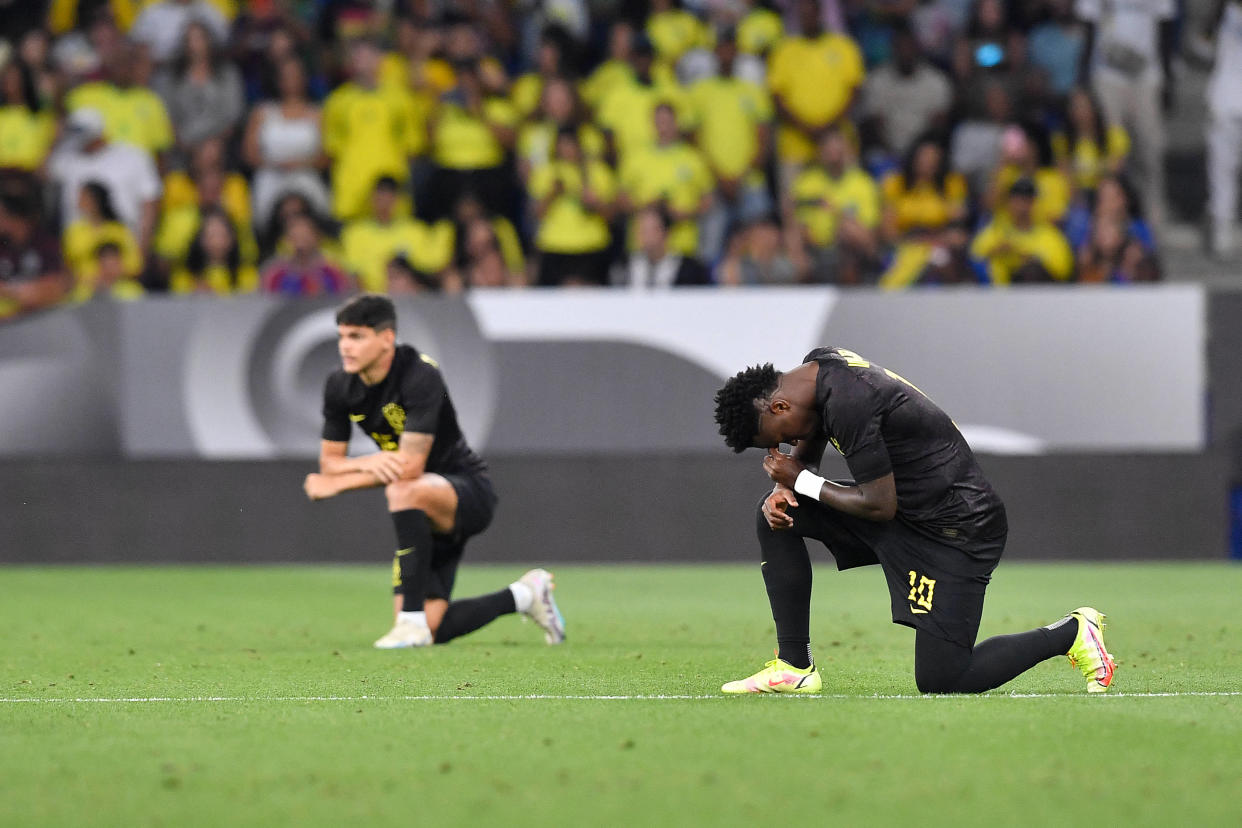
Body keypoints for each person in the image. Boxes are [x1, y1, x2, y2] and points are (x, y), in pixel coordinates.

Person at [711, 347, 1116, 694]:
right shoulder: (820, 369)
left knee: (944, 677)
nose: (781, 449)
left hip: (957, 529)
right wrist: (789, 488)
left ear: (780, 406)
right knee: (777, 513)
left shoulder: (851, 401)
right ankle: (795, 667)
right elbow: (813, 433)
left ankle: (1073, 633)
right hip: (908, 511)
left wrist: (799, 478)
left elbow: (877, 504)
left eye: (775, 438)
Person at [303, 293, 566, 649]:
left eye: (357, 337)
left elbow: (408, 468)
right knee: (434, 630)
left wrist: (339, 485)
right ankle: (524, 595)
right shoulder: (339, 385)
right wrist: (364, 462)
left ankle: (408, 622)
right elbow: (329, 464)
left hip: (465, 490)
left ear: (386, 338)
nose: (345, 347)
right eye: (342, 337)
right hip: (420, 514)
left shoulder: (418, 375)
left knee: (401, 490)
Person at [969, 178, 1074, 284]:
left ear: (1035, 203)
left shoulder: (1050, 236)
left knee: (1032, 270)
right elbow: (974, 258)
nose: (1022, 206)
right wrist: (993, 252)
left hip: (1036, 296)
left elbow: (1062, 270)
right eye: (1017, 200)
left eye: (1027, 200)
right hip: (995, 294)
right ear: (1009, 203)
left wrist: (1024, 256)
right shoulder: (995, 232)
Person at [1203, 0, 1242, 258]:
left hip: (1226, 101)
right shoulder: (1223, 13)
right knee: (1222, 173)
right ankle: (1221, 228)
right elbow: (1200, 46)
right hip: (1226, 102)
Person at [0, 178, 68, 321]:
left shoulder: (45, 244)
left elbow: (55, 288)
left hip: (39, 323)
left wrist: (10, 291)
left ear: (14, 217)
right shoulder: (3, 246)